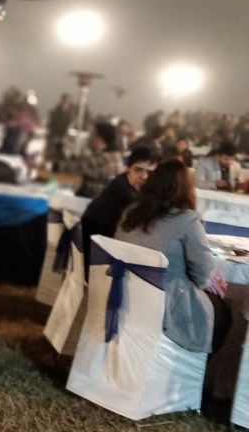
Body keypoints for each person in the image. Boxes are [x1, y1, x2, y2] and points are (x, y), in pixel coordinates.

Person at [116, 159, 230, 355]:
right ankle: (194, 368)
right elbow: (202, 277)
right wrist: (209, 278)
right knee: (224, 314)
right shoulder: (187, 221)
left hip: (123, 296)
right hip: (165, 308)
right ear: (186, 189)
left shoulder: (130, 213)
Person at [80, 146, 158, 274]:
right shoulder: (123, 190)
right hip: (98, 256)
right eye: (138, 170)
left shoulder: (126, 183)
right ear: (128, 169)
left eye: (149, 173)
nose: (144, 176)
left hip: (101, 246)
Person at [75, 121, 125, 199]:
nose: (90, 138)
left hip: (94, 201)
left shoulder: (101, 159)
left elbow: (75, 168)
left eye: (92, 134)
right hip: (108, 201)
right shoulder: (117, 156)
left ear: (100, 138)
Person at [47, 92, 74, 166]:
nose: (65, 103)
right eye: (64, 101)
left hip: (64, 137)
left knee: (62, 154)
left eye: (67, 101)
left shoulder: (70, 113)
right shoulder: (56, 112)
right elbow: (51, 124)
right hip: (55, 135)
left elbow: (71, 124)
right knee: (54, 153)